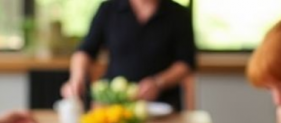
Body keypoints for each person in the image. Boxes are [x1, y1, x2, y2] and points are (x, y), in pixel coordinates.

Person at [61, 0, 196, 111]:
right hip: (114, 105)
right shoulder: (109, 10)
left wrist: (158, 83)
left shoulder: (179, 14)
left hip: (163, 106)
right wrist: (76, 77)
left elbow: (186, 63)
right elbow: (85, 51)